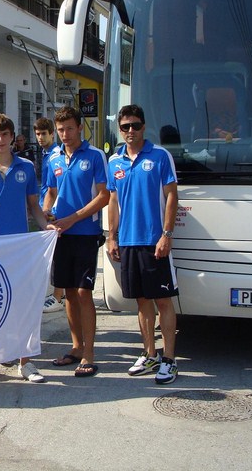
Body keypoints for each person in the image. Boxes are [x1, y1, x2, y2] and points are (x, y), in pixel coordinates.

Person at [0, 113, 52, 384]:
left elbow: (34, 207)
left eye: (5, 135)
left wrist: (46, 228)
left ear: (12, 137)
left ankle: (25, 362)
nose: (0, 140)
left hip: (20, 249)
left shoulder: (25, 168)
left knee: (22, 305)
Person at [106, 104, 179, 385]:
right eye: (125, 127)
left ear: (144, 126)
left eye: (135, 125)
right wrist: (112, 236)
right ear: (120, 129)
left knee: (163, 300)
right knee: (141, 301)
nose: (130, 131)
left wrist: (166, 234)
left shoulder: (160, 156)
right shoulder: (115, 162)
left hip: (154, 241)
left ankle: (169, 359)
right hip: (128, 241)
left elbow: (172, 196)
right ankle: (150, 354)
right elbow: (113, 201)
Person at [43, 107, 109, 377]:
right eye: (60, 130)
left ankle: (90, 353)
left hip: (85, 233)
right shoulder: (54, 157)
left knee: (83, 292)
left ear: (79, 127)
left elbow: (104, 196)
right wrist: (46, 215)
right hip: (60, 235)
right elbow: (50, 192)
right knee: (68, 291)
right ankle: (76, 347)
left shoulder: (95, 156)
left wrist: (73, 219)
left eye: (69, 128)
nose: (65, 134)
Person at [35, 117, 64, 314]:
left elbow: (55, 188)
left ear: (52, 134)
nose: (40, 138)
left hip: (53, 210)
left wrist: (50, 210)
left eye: (43, 134)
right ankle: (57, 294)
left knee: (56, 255)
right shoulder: (45, 154)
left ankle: (58, 296)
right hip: (44, 207)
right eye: (37, 134)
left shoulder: (55, 154)